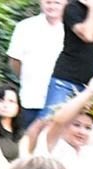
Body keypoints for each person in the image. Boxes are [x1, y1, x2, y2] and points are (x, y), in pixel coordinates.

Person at [8, 0, 65, 129]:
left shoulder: (72, 29)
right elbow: (14, 60)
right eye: (48, 2)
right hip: (30, 99)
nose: (52, 6)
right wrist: (25, 78)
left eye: (57, 3)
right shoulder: (25, 27)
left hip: (62, 103)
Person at [0, 87, 26, 162]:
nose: (5, 105)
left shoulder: (22, 133)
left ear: (18, 107)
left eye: (11, 101)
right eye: (1, 100)